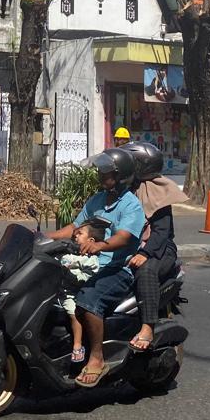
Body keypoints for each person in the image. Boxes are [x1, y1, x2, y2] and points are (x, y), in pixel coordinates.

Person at [48, 147, 146, 388]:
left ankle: (97, 358)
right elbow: (75, 227)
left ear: (120, 176)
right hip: (89, 265)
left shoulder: (131, 205)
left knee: (88, 302)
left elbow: (125, 237)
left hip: (117, 268)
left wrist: (101, 245)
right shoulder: (98, 200)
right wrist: (45, 238)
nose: (100, 175)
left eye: (106, 172)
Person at [124, 140, 187, 352]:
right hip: (128, 247)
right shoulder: (124, 187)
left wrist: (145, 252)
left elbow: (162, 232)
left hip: (159, 249)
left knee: (146, 270)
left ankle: (147, 326)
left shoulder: (156, 190)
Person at [60, 218, 107, 364]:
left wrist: (67, 271)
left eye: (80, 234)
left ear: (91, 240)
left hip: (74, 293)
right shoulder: (73, 252)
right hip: (59, 289)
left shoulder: (91, 260)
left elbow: (82, 279)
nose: (76, 236)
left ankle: (77, 345)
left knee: (73, 314)